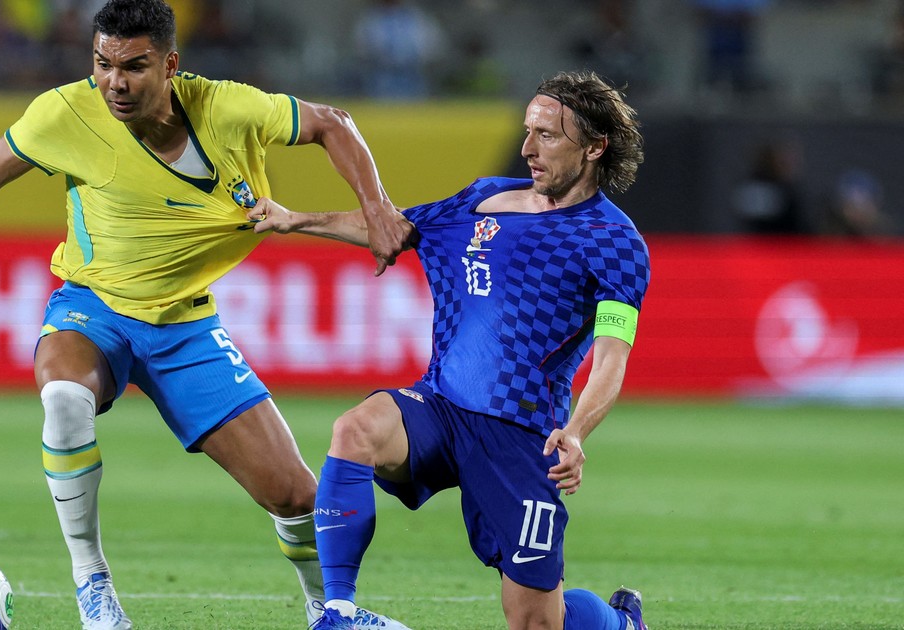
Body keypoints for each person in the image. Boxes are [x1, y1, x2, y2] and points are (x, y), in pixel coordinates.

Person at [0, 1, 412, 628]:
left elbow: (332, 123)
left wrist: (377, 207)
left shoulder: (228, 109)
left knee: (296, 497)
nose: (114, 83)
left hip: (186, 327)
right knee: (63, 397)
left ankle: (329, 612)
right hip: (93, 308)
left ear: (170, 65)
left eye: (133, 67)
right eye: (103, 64)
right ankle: (93, 585)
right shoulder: (66, 113)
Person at [248, 70, 652, 630]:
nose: (528, 148)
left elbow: (611, 355)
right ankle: (337, 611)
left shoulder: (613, 241)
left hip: (520, 432)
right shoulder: (485, 198)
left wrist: (578, 431)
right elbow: (394, 228)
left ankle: (619, 623)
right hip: (440, 405)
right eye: (528, 130)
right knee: (356, 430)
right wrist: (295, 220)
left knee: (536, 621)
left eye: (547, 135)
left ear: (594, 147)